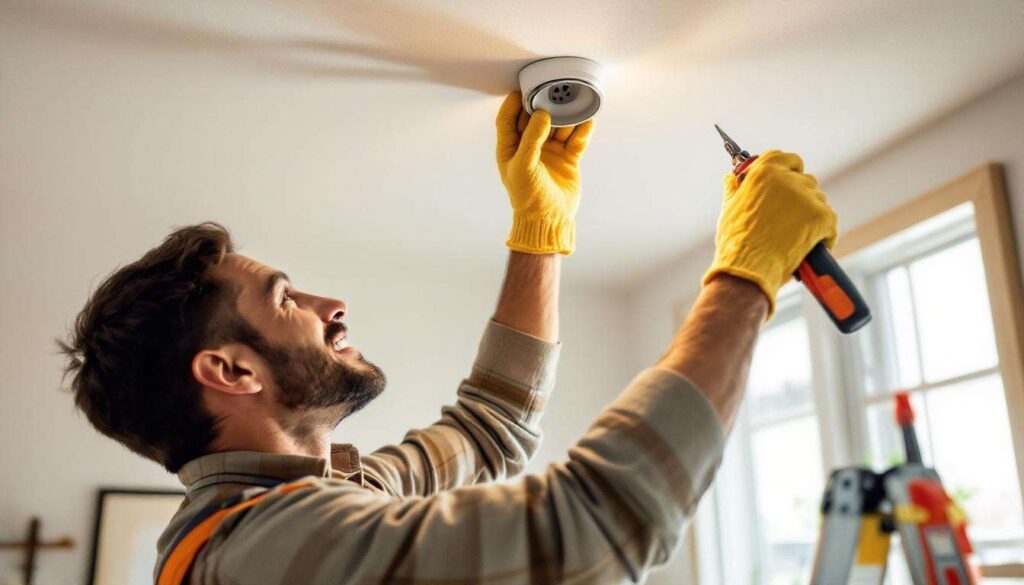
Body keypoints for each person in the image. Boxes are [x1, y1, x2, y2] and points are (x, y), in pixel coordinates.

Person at [58, 92, 836, 584]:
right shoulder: (264, 552)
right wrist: (744, 277)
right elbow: (589, 529)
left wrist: (541, 232)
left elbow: (489, 427)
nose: (333, 305)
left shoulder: (310, 505)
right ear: (229, 370)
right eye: (287, 298)